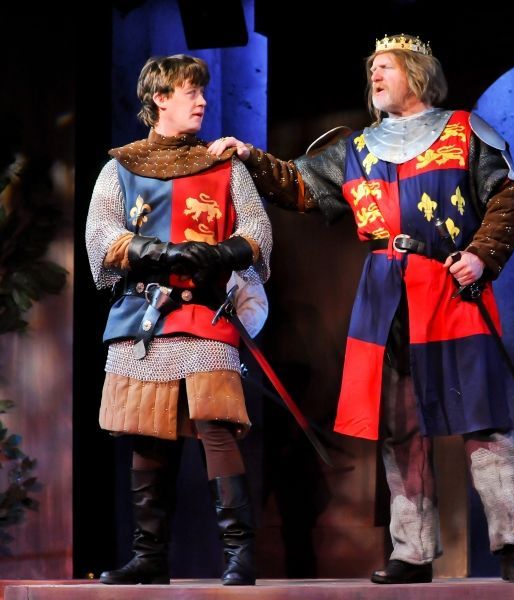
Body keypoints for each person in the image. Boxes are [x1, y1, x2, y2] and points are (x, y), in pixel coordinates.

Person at [208, 34, 514, 584]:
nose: (375, 78)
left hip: (450, 290)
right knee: (399, 428)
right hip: (386, 295)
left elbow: (507, 195)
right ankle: (411, 551)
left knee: (483, 421)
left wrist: (482, 257)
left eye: (385, 68)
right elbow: (300, 186)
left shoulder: (464, 130)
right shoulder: (357, 148)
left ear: (416, 72)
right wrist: (249, 156)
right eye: (371, 71)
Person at [85, 54, 272, 586]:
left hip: (206, 312)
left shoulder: (224, 166)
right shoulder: (119, 166)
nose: (203, 101)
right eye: (191, 91)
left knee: (215, 425)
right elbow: (101, 237)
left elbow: (258, 235)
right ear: (160, 98)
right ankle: (150, 558)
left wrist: (222, 254)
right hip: (144, 313)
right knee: (147, 432)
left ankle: (240, 555)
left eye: (203, 92)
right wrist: (150, 251)